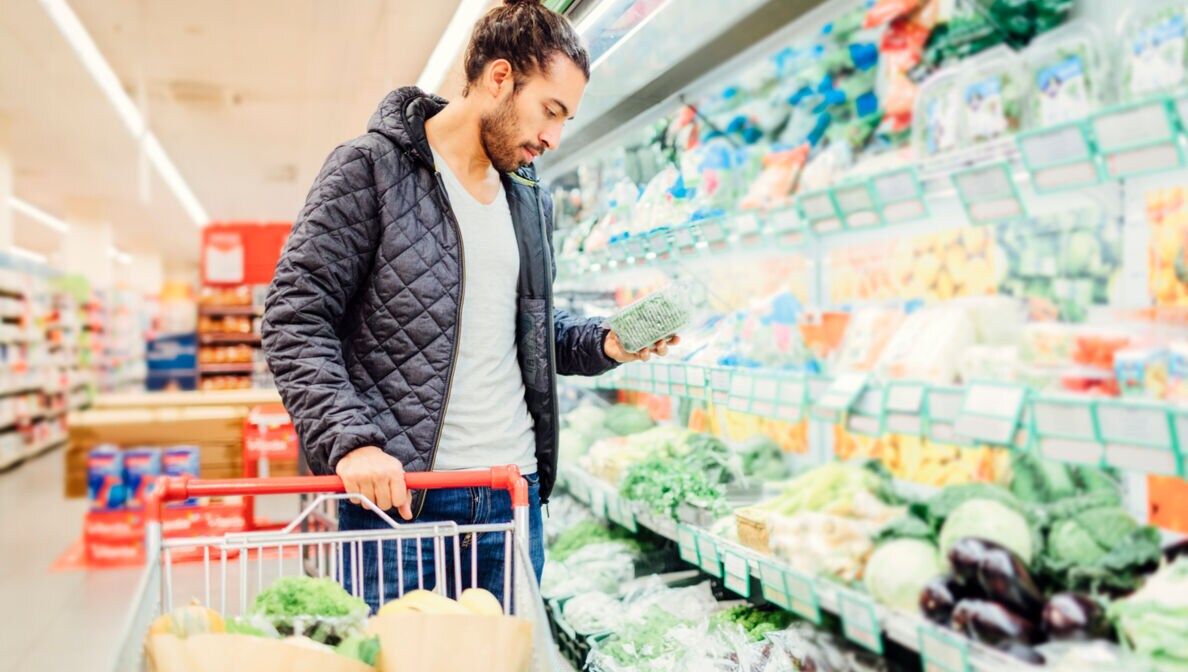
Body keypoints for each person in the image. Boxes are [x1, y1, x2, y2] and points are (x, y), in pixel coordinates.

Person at [261, 0, 676, 610]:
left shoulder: (530, 199)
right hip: (402, 500)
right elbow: (294, 317)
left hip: (511, 495)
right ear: (500, 78)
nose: (553, 138)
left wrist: (607, 341)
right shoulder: (369, 170)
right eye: (550, 111)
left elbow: (531, 330)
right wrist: (351, 442)